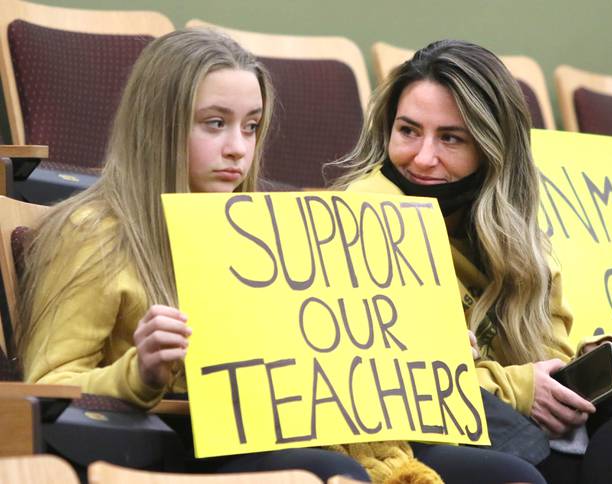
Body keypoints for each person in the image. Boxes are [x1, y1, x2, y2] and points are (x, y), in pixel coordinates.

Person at [17, 28, 369, 481]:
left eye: (252, 126)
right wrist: (140, 371)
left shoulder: (266, 234)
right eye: (215, 123)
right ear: (157, 125)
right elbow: (47, 389)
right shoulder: (95, 233)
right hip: (165, 450)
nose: (238, 149)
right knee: (330, 470)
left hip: (272, 432)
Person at [331, 39, 612, 484]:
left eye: (450, 138)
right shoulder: (364, 217)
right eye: (408, 131)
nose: (422, 157)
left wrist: (595, 364)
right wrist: (519, 390)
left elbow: (545, 355)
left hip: (512, 431)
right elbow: (394, 387)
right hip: (424, 438)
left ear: (492, 148)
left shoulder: (512, 235)